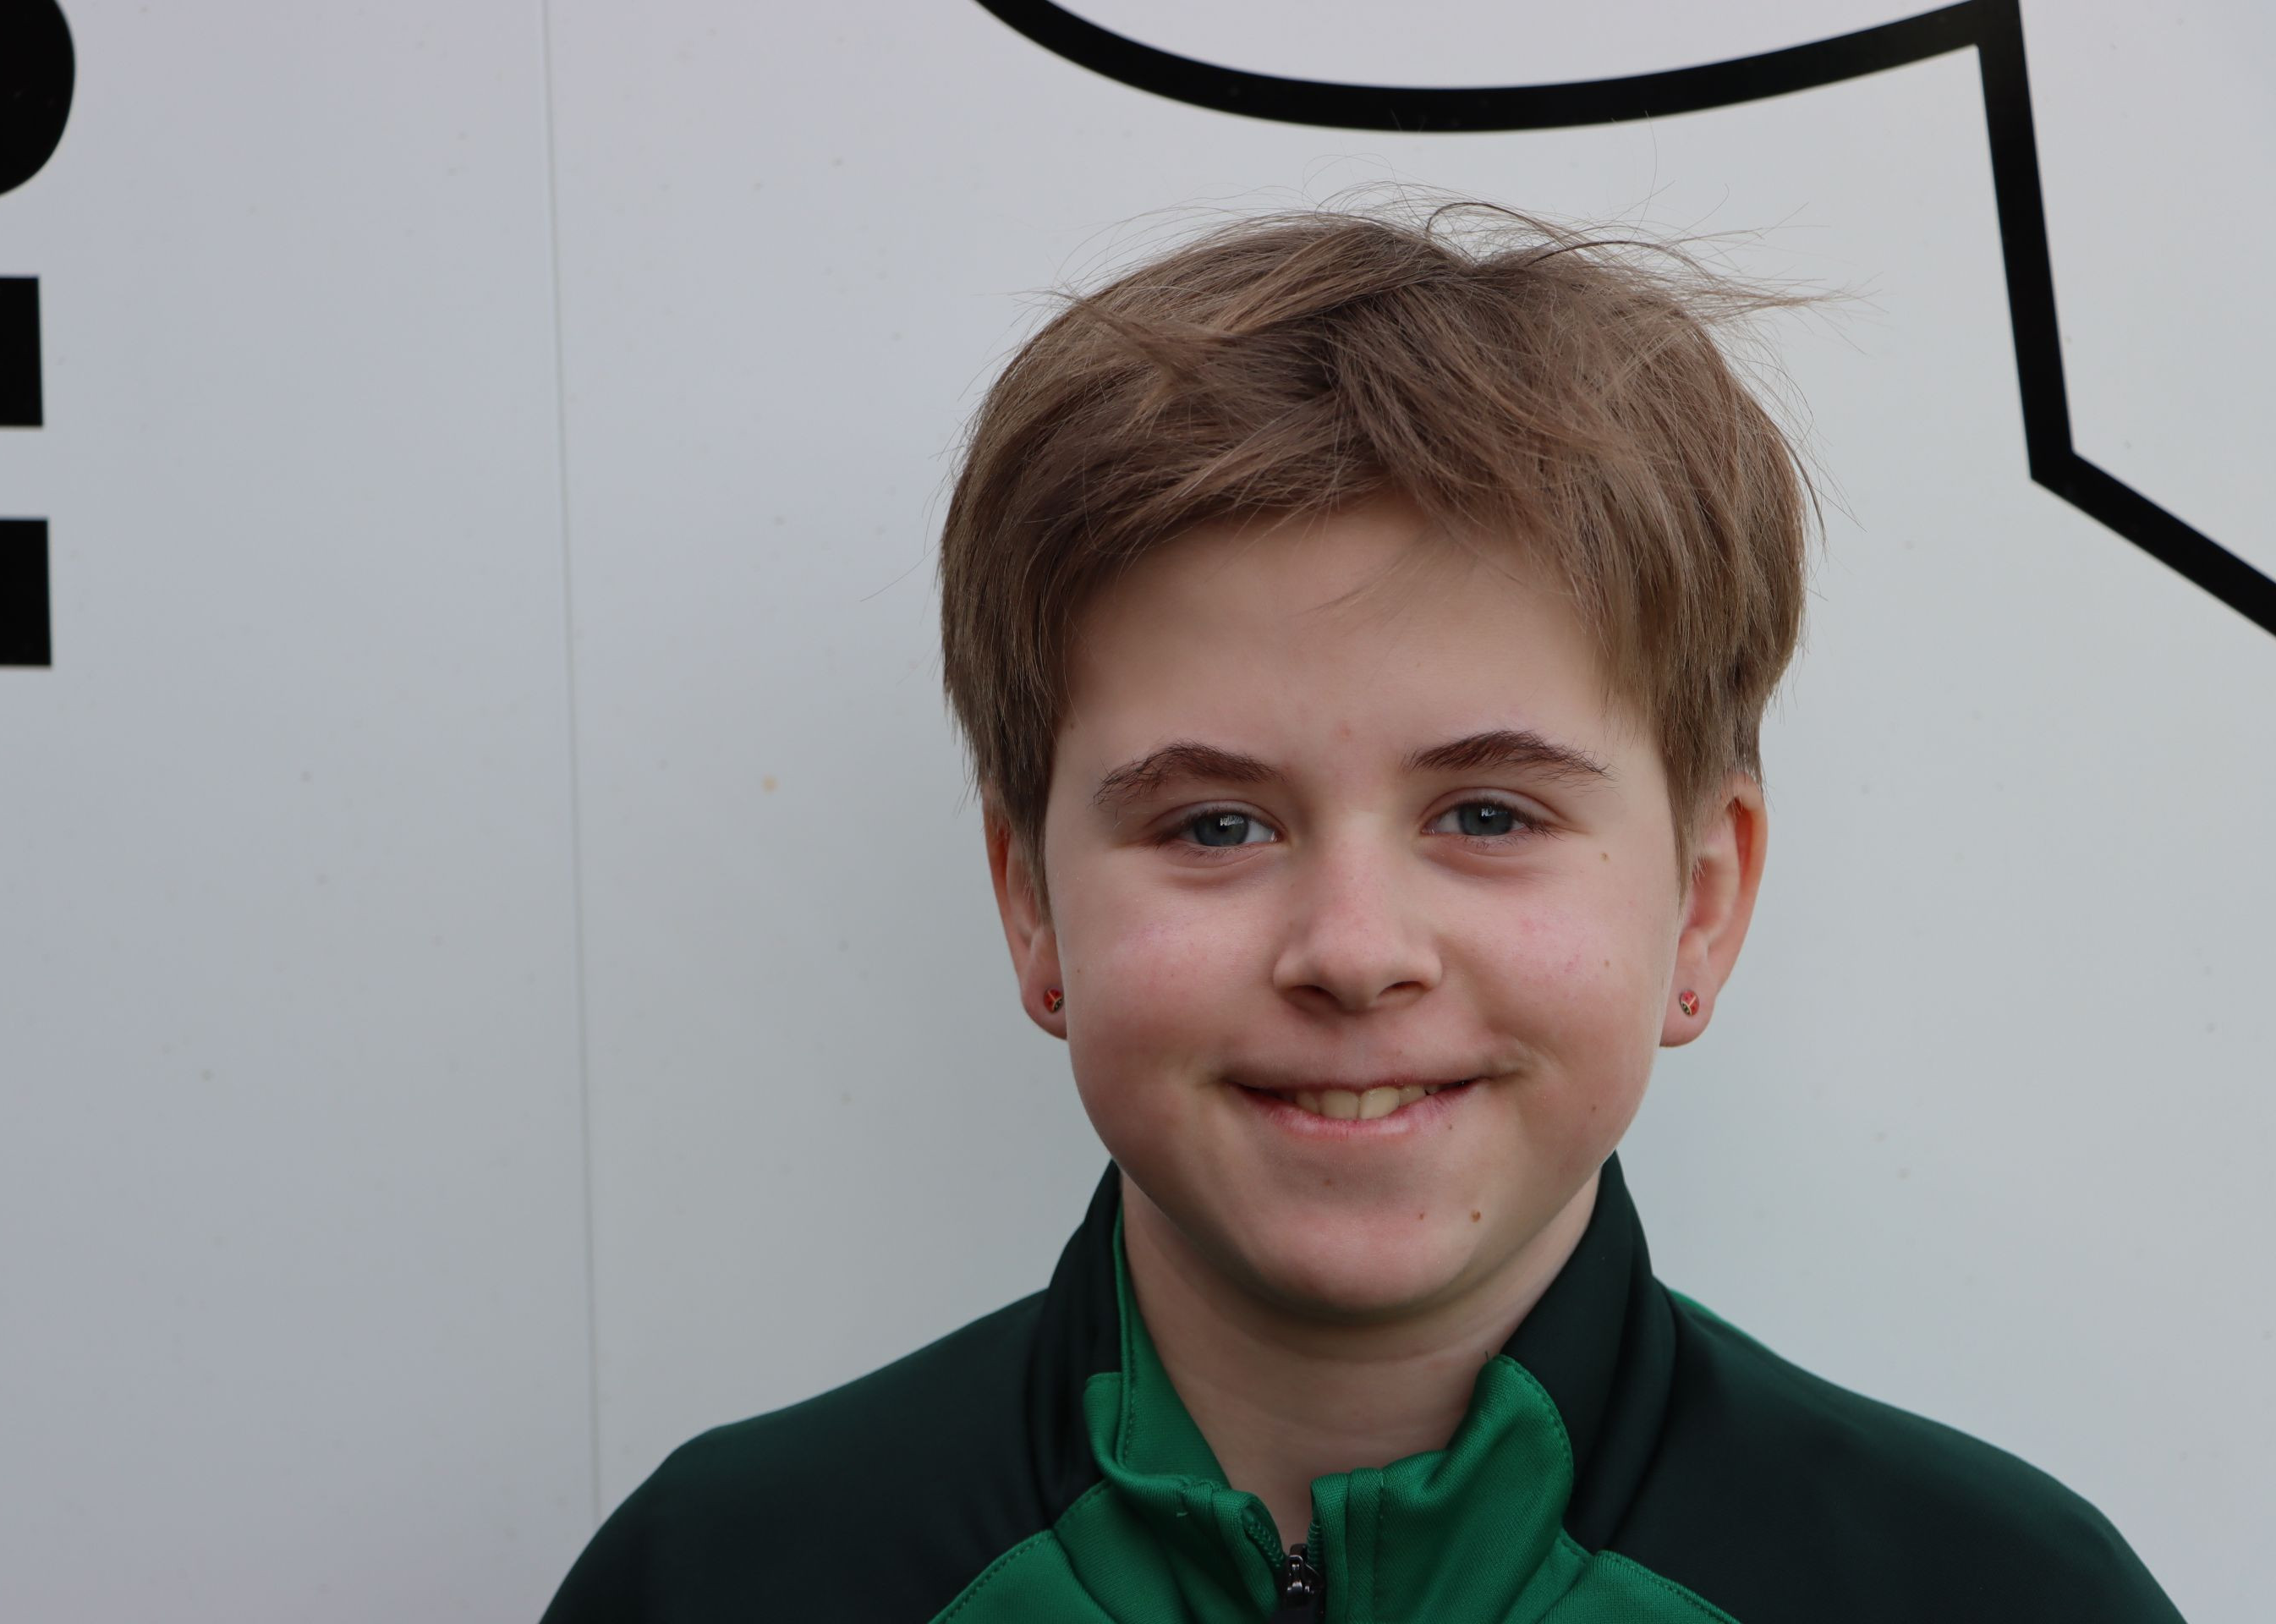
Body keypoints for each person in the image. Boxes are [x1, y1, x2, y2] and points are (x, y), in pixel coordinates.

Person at [540, 196, 2184, 1621]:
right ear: (1030, 906)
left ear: (1701, 907)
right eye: (1216, 824)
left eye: (1487, 815)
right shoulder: (721, 1580)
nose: (1353, 951)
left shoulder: (1997, 1596)